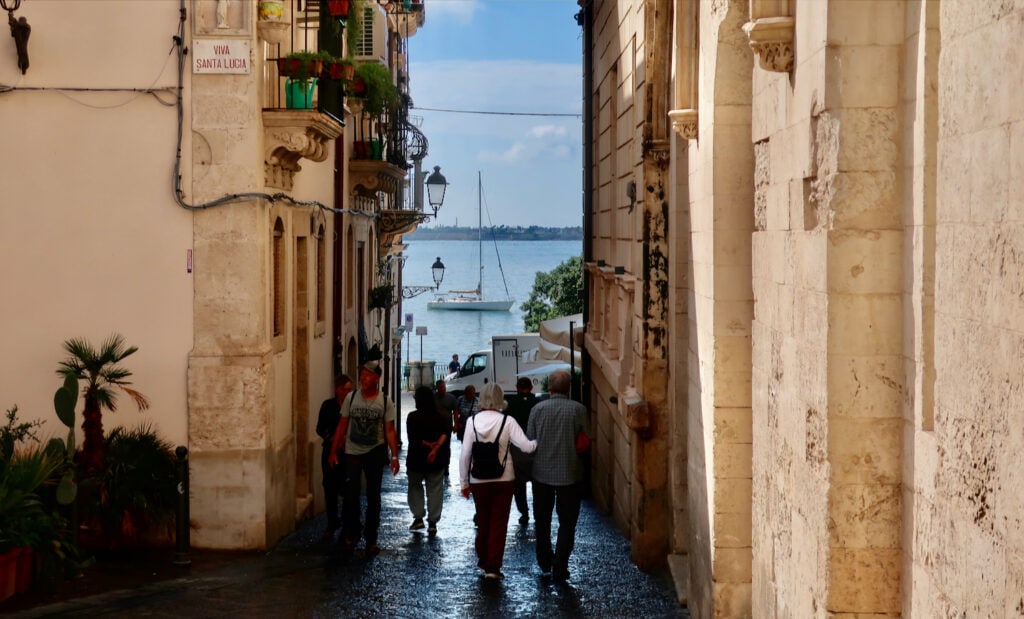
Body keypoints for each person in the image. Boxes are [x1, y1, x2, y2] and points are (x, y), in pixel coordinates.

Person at [459, 383, 537, 579]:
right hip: (504, 478)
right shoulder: (507, 421)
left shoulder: (472, 422)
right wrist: (538, 441)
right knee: (499, 522)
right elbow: (527, 447)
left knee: (482, 519)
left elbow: (465, 454)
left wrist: (464, 483)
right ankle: (493, 566)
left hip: (478, 479)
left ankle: (483, 560)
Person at [327, 361, 400, 556]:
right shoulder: (351, 399)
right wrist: (333, 451)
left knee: (373, 496)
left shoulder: (385, 402)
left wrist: (394, 456)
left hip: (375, 452)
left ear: (376, 379)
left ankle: (371, 539)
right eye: (362, 375)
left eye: (367, 375)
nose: (362, 379)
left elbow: (390, 430)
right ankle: (352, 533)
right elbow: (342, 426)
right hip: (353, 452)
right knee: (351, 496)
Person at [527, 370, 591, 582]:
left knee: (542, 520)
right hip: (570, 474)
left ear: (549, 388)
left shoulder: (537, 409)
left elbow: (530, 441)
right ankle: (560, 564)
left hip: (541, 474)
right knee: (567, 522)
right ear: (569, 388)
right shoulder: (579, 410)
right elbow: (586, 440)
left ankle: (545, 560)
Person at [406, 386, 452, 535]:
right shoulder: (443, 416)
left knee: (415, 487)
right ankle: (432, 522)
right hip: (437, 459)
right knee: (435, 489)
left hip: (416, 458)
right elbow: (446, 433)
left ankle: (418, 517)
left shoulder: (413, 417)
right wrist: (435, 448)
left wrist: (427, 445)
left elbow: (414, 439)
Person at [316, 374, 353, 541]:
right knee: (329, 488)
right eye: (344, 389)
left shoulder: (353, 406)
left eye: (349, 389)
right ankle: (332, 523)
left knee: (347, 489)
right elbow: (320, 428)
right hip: (330, 452)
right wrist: (332, 439)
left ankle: (347, 525)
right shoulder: (328, 406)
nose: (347, 392)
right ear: (337, 389)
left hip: (348, 453)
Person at [504, 377, 539, 525]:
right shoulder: (538, 403)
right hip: (536, 447)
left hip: (516, 448)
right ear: (531, 388)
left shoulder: (510, 404)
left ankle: (524, 513)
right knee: (538, 483)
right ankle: (539, 512)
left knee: (519, 484)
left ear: (517, 387)